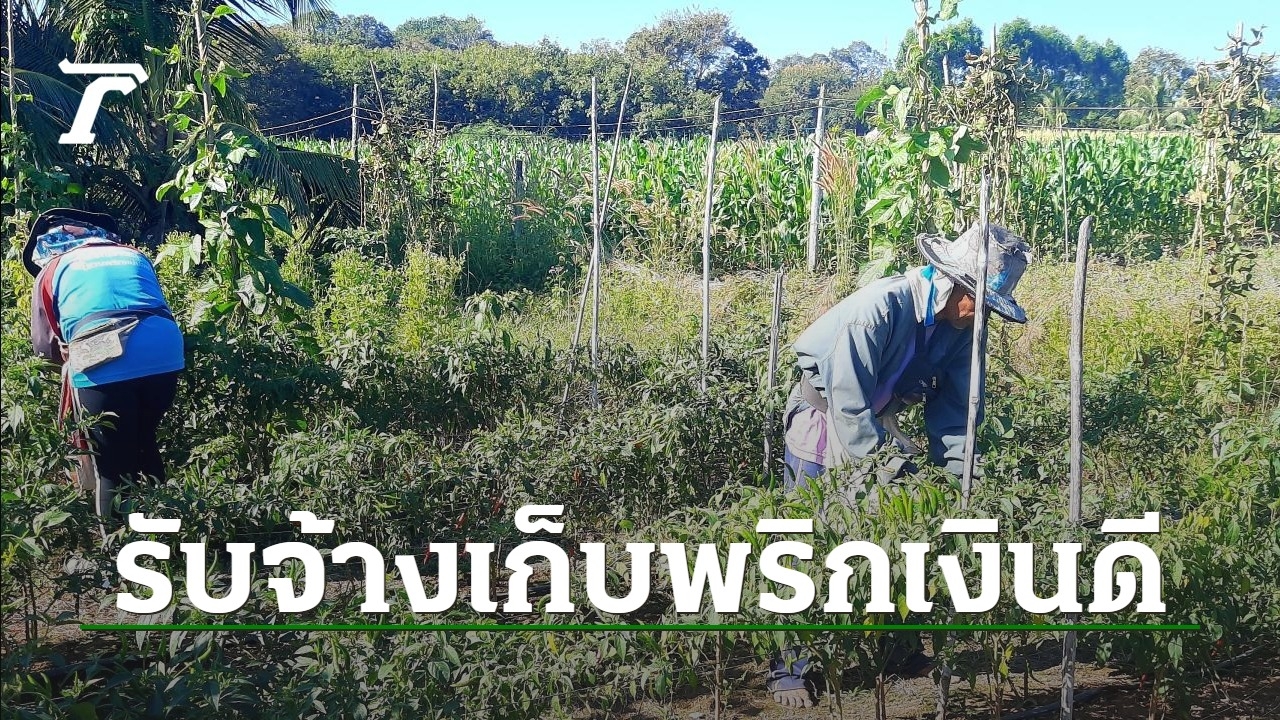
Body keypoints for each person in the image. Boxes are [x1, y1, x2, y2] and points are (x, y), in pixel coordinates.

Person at [767, 221, 1034, 708]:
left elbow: (957, 412)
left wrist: (960, 485)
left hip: (877, 420)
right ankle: (790, 668)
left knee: (902, 535)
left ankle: (899, 651)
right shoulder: (878, 309)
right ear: (953, 286)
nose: (982, 316)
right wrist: (882, 475)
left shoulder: (961, 330)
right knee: (805, 541)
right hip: (823, 419)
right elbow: (848, 406)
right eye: (979, 302)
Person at [24, 208, 185, 517]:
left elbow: (44, 348)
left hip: (101, 356)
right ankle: (166, 530)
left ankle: (116, 542)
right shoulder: (132, 254)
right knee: (144, 441)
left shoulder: (53, 267)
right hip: (163, 349)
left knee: (112, 466)